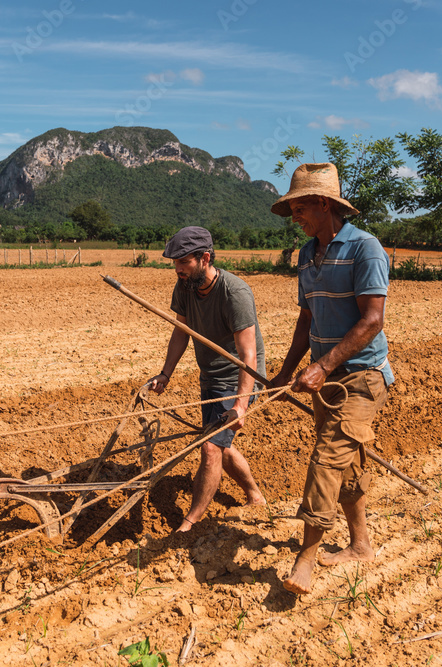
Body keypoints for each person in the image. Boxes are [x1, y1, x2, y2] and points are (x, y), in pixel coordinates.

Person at [268, 163, 394, 595]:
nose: (295, 218)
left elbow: (372, 321)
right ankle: (361, 545)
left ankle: (305, 557)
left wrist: (322, 367)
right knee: (347, 464)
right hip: (325, 378)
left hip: (363, 376)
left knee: (326, 458)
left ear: (324, 203)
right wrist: (286, 372)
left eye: (299, 209)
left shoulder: (365, 248)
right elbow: (307, 319)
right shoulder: (307, 255)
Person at [149, 226, 267, 533]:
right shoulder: (185, 287)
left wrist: (241, 405)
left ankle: (190, 523)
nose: (178, 269)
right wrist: (165, 374)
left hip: (239, 379)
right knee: (219, 445)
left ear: (205, 258)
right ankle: (255, 495)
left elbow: (248, 355)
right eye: (175, 263)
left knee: (211, 448)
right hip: (211, 378)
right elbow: (181, 332)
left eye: (183, 262)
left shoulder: (234, 293)